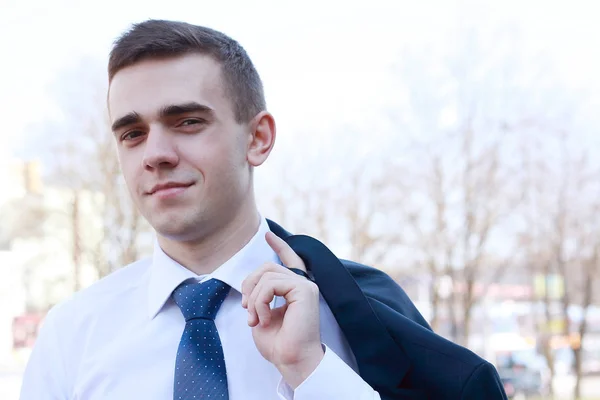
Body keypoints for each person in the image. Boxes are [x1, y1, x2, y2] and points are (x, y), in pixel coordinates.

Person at [20, 19, 507, 400]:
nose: (155, 154)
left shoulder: (356, 317)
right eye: (132, 133)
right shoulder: (73, 334)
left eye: (187, 122)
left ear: (258, 138)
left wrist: (309, 371)